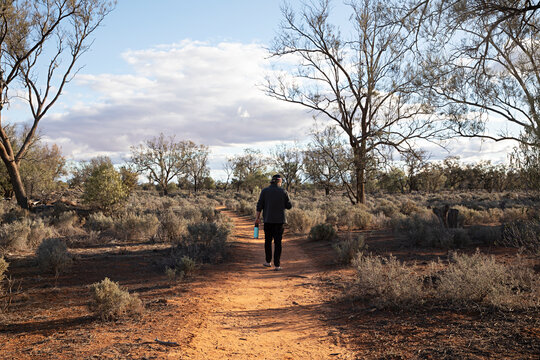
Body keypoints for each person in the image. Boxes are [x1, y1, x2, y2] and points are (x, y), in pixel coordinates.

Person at [255, 174, 292, 271]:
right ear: (279, 181)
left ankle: (268, 262)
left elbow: (259, 206)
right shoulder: (283, 191)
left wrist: (257, 218)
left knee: (268, 241)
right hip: (279, 221)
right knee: (278, 243)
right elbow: (289, 206)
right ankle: (277, 265)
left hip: (267, 220)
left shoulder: (264, 191)